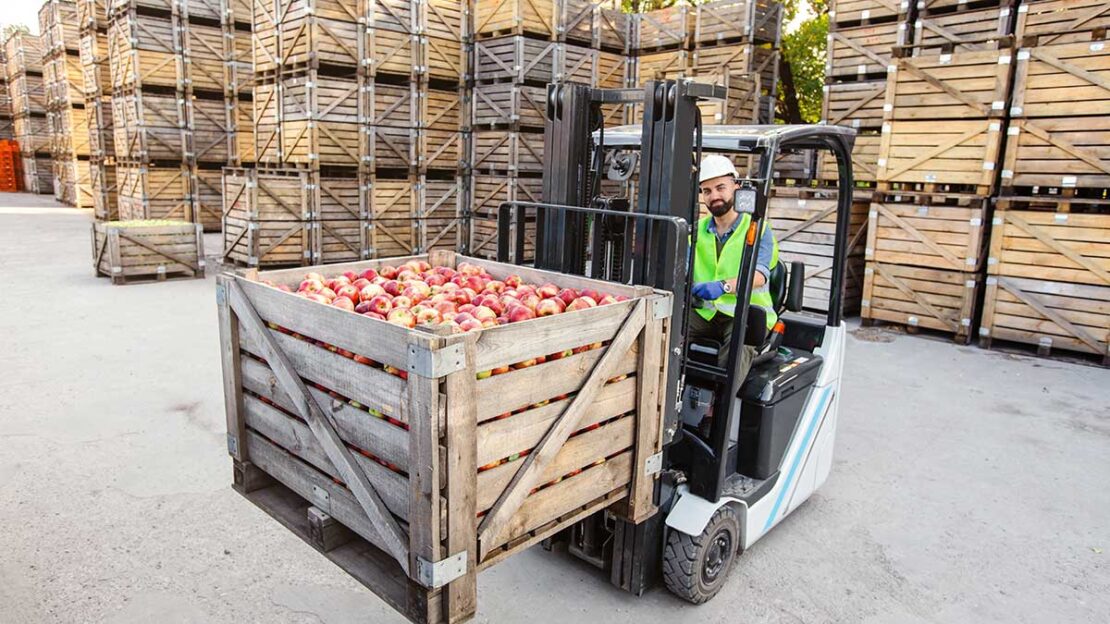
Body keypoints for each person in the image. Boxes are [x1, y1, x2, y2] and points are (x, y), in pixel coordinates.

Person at [688, 154, 779, 374]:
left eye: (721, 188)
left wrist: (723, 286)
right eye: (707, 191)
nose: (714, 196)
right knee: (664, 326)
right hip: (705, 313)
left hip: (745, 314)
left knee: (739, 341)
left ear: (736, 187)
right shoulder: (696, 230)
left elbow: (759, 276)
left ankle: (718, 406)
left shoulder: (758, 229)